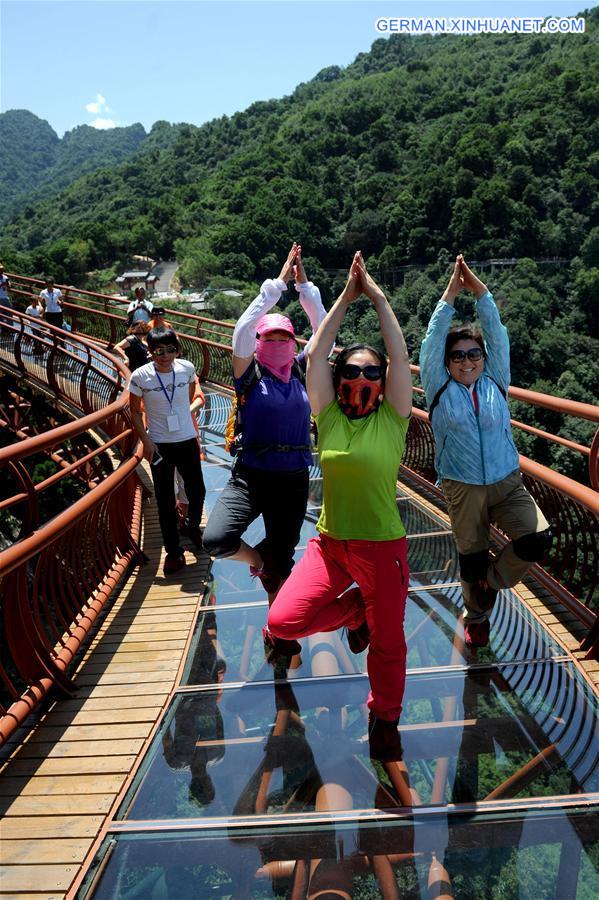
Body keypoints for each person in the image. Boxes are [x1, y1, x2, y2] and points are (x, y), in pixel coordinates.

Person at [266, 252, 413, 762]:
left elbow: (396, 347)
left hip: (382, 548)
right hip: (331, 546)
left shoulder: (392, 418)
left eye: (372, 371)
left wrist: (376, 296)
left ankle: (385, 719)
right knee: (283, 622)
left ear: (385, 377)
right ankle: (355, 612)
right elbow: (319, 348)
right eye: (352, 369)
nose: (361, 376)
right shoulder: (327, 415)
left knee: (389, 644)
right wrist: (345, 299)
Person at [419, 255, 552, 648]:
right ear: (446, 363)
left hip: (507, 482)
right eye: (457, 355)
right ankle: (477, 617)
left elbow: (495, 332)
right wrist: (449, 294)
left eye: (473, 354)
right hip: (462, 486)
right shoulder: (439, 388)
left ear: (484, 359)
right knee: (472, 555)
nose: (466, 360)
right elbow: (430, 341)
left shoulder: (497, 379)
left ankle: (491, 584)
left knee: (537, 537)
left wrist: (480, 293)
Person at [202, 243, 327, 614]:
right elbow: (241, 330)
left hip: (293, 477)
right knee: (218, 538)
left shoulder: (303, 371)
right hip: (251, 475)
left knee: (283, 563)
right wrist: (276, 286)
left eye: (283, 338)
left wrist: (306, 289)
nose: (275, 344)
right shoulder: (249, 374)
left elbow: (326, 334)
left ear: (294, 343)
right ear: (258, 344)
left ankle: (280, 628)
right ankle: (258, 560)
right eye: (268, 338)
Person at [128, 327, 206, 574]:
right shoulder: (140, 376)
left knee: (197, 490)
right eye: (159, 351)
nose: (165, 355)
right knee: (164, 501)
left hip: (186, 439)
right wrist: (147, 443)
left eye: (170, 350)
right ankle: (173, 552)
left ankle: (192, 526)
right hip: (160, 444)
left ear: (177, 350)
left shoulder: (186, 368)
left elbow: (190, 396)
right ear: (150, 352)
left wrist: (182, 416)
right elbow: (135, 413)